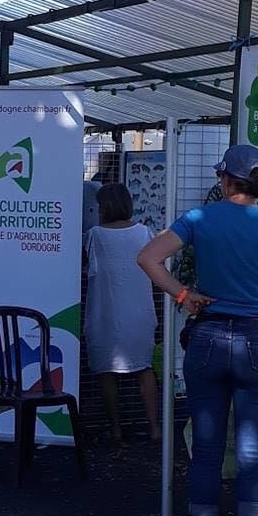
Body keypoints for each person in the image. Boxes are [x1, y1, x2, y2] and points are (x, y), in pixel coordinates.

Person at [138, 144, 258, 516]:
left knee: (207, 451)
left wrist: (182, 294)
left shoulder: (199, 219)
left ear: (224, 179)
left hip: (207, 339)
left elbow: (148, 258)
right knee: (253, 457)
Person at [86, 182, 159, 444]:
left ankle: (115, 428)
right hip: (140, 311)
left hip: (105, 312)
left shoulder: (96, 234)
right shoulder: (144, 233)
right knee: (144, 368)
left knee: (107, 371)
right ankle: (154, 427)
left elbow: (90, 267)